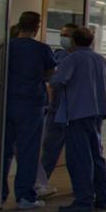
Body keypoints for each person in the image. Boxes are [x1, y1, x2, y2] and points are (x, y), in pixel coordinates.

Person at [49, 25, 106, 212]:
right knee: (96, 156)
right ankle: (103, 197)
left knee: (79, 158)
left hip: (76, 114)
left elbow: (57, 81)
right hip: (96, 114)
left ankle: (83, 200)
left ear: (74, 41)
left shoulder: (72, 59)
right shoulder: (101, 60)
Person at [2, 11, 56, 209]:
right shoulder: (41, 50)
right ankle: (25, 197)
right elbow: (51, 75)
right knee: (28, 151)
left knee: (3, 150)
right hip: (31, 105)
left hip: (7, 103)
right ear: (37, 27)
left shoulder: (6, 46)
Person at [34, 22, 78, 199]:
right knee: (49, 151)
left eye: (66, 35)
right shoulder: (57, 55)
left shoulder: (83, 59)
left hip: (74, 114)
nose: (63, 38)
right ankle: (40, 185)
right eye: (62, 35)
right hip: (55, 111)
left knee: (77, 153)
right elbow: (50, 80)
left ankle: (81, 186)